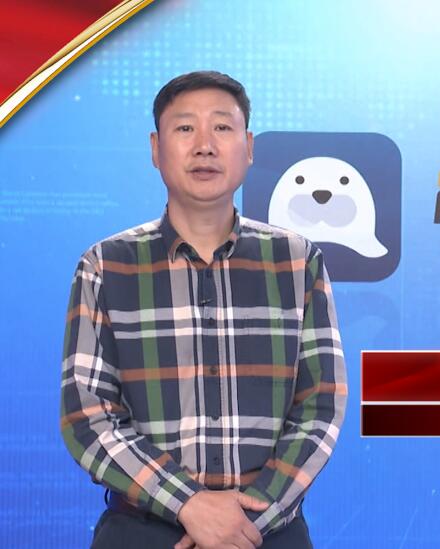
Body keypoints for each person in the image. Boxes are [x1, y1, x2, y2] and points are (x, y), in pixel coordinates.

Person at [60, 71, 347, 549]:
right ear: (156, 149)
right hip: (142, 532)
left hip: (268, 532)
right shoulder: (105, 266)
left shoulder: (297, 262)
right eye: (185, 128)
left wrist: (247, 519)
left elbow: (321, 406)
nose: (205, 146)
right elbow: (87, 416)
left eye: (222, 127)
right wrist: (188, 505)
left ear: (248, 147)